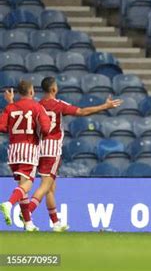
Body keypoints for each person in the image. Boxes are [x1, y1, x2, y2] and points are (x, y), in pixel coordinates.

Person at [15, 77, 122, 232]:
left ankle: (56, 223)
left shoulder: (37, 105)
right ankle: (27, 213)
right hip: (52, 150)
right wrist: (105, 106)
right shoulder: (58, 105)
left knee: (51, 188)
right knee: (45, 186)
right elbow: (82, 111)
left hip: (37, 149)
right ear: (53, 89)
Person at [0, 80, 51, 231]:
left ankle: (28, 223)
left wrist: (10, 103)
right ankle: (8, 204)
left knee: (22, 187)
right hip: (28, 149)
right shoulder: (37, 107)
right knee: (28, 183)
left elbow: (2, 127)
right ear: (31, 92)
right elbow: (46, 129)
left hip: (13, 151)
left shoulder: (11, 107)